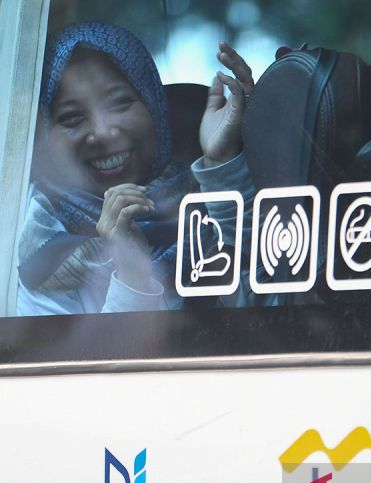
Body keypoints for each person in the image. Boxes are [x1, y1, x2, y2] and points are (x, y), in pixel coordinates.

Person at [17, 21, 255, 315]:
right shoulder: (41, 253)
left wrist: (224, 166)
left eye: (119, 103)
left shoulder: (211, 202)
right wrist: (132, 271)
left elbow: (271, 312)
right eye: (72, 117)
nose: (103, 132)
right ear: (44, 136)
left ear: (154, 107)